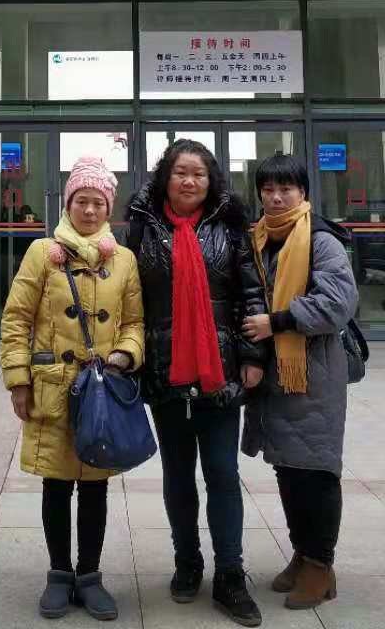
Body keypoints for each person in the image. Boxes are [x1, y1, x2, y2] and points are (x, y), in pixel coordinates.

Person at [127, 140, 268, 627]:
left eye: (199, 174)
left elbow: (251, 293)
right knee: (177, 475)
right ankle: (187, 563)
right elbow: (129, 296)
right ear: (165, 177)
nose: (189, 181)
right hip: (166, 367)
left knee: (223, 474)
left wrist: (253, 356)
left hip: (220, 369)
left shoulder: (230, 227)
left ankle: (230, 574)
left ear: (211, 181)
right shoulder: (143, 226)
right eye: (180, 172)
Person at [0, 156, 144, 622]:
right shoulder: (42, 252)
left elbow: (135, 323)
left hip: (101, 392)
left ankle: (91, 575)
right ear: (68, 203)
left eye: (98, 202)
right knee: (57, 484)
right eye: (81, 200)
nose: (89, 209)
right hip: (54, 387)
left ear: (109, 207)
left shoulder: (123, 260)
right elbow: (16, 318)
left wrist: (124, 355)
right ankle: (59, 574)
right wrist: (18, 380)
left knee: (96, 487)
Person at [240, 153, 358, 611]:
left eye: (285, 189)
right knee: (288, 467)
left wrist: (278, 321)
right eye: (268, 189)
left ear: (303, 193)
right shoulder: (259, 238)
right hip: (275, 374)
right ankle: (302, 552)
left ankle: (320, 565)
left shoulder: (321, 240)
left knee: (316, 469)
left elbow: (338, 304)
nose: (276, 197)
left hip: (314, 373)